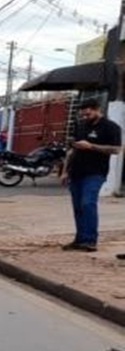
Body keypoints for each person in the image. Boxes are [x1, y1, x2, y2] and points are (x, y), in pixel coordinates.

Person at [60, 99, 122, 252]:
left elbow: (116, 149)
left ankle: (90, 240)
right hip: (76, 171)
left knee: (88, 203)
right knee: (78, 206)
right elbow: (72, 150)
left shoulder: (110, 127)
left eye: (88, 113)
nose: (85, 116)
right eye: (83, 114)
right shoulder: (81, 126)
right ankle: (79, 239)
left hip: (95, 172)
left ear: (97, 110)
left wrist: (92, 146)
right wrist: (65, 170)